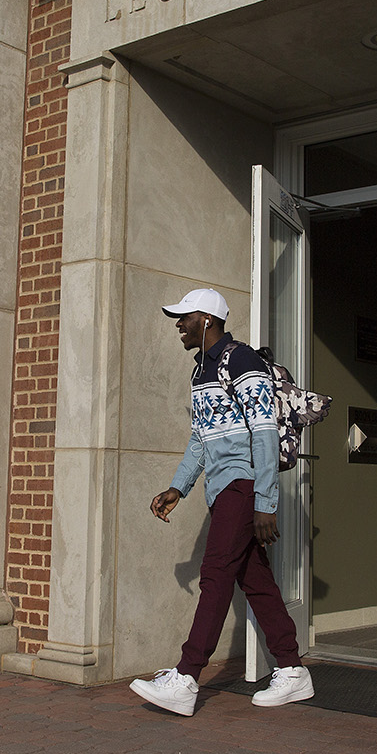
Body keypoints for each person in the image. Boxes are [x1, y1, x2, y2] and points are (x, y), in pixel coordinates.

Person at [129, 288, 314, 716]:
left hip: (243, 484)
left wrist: (266, 502)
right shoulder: (200, 373)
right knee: (255, 581)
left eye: (184, 317)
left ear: (207, 319)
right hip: (221, 488)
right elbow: (201, 438)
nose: (178, 324)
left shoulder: (241, 360)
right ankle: (292, 668)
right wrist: (179, 487)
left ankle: (187, 675)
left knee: (215, 574)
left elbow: (265, 432)